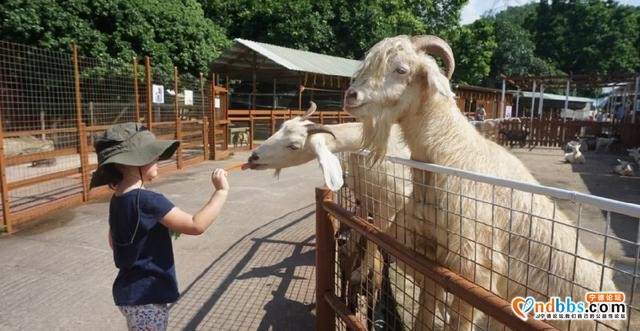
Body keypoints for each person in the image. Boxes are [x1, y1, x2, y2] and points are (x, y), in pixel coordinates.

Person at [90, 122, 229, 330]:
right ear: (129, 162)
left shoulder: (117, 199)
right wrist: (221, 192)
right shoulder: (150, 201)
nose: (158, 158)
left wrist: (154, 230)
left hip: (128, 293)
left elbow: (114, 240)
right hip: (148, 296)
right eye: (151, 154)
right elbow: (195, 225)